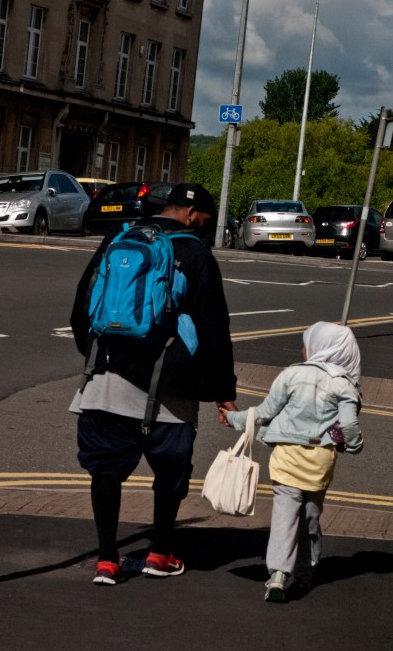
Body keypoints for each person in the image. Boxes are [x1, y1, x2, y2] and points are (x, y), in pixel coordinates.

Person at [70, 182, 239, 585]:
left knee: (105, 471)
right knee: (170, 474)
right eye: (206, 220)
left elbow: (82, 305)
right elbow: (214, 326)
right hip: (171, 384)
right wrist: (222, 392)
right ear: (191, 213)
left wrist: (98, 356)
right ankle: (159, 552)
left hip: (106, 381)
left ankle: (108, 561)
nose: (205, 226)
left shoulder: (120, 238)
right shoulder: (195, 253)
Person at [221, 321, 363, 602]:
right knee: (310, 517)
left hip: (286, 457)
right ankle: (306, 571)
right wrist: (355, 445)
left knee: (284, 516)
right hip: (319, 461)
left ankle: (277, 574)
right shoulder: (344, 383)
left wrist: (233, 418)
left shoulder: (291, 375)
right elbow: (349, 424)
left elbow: (264, 412)